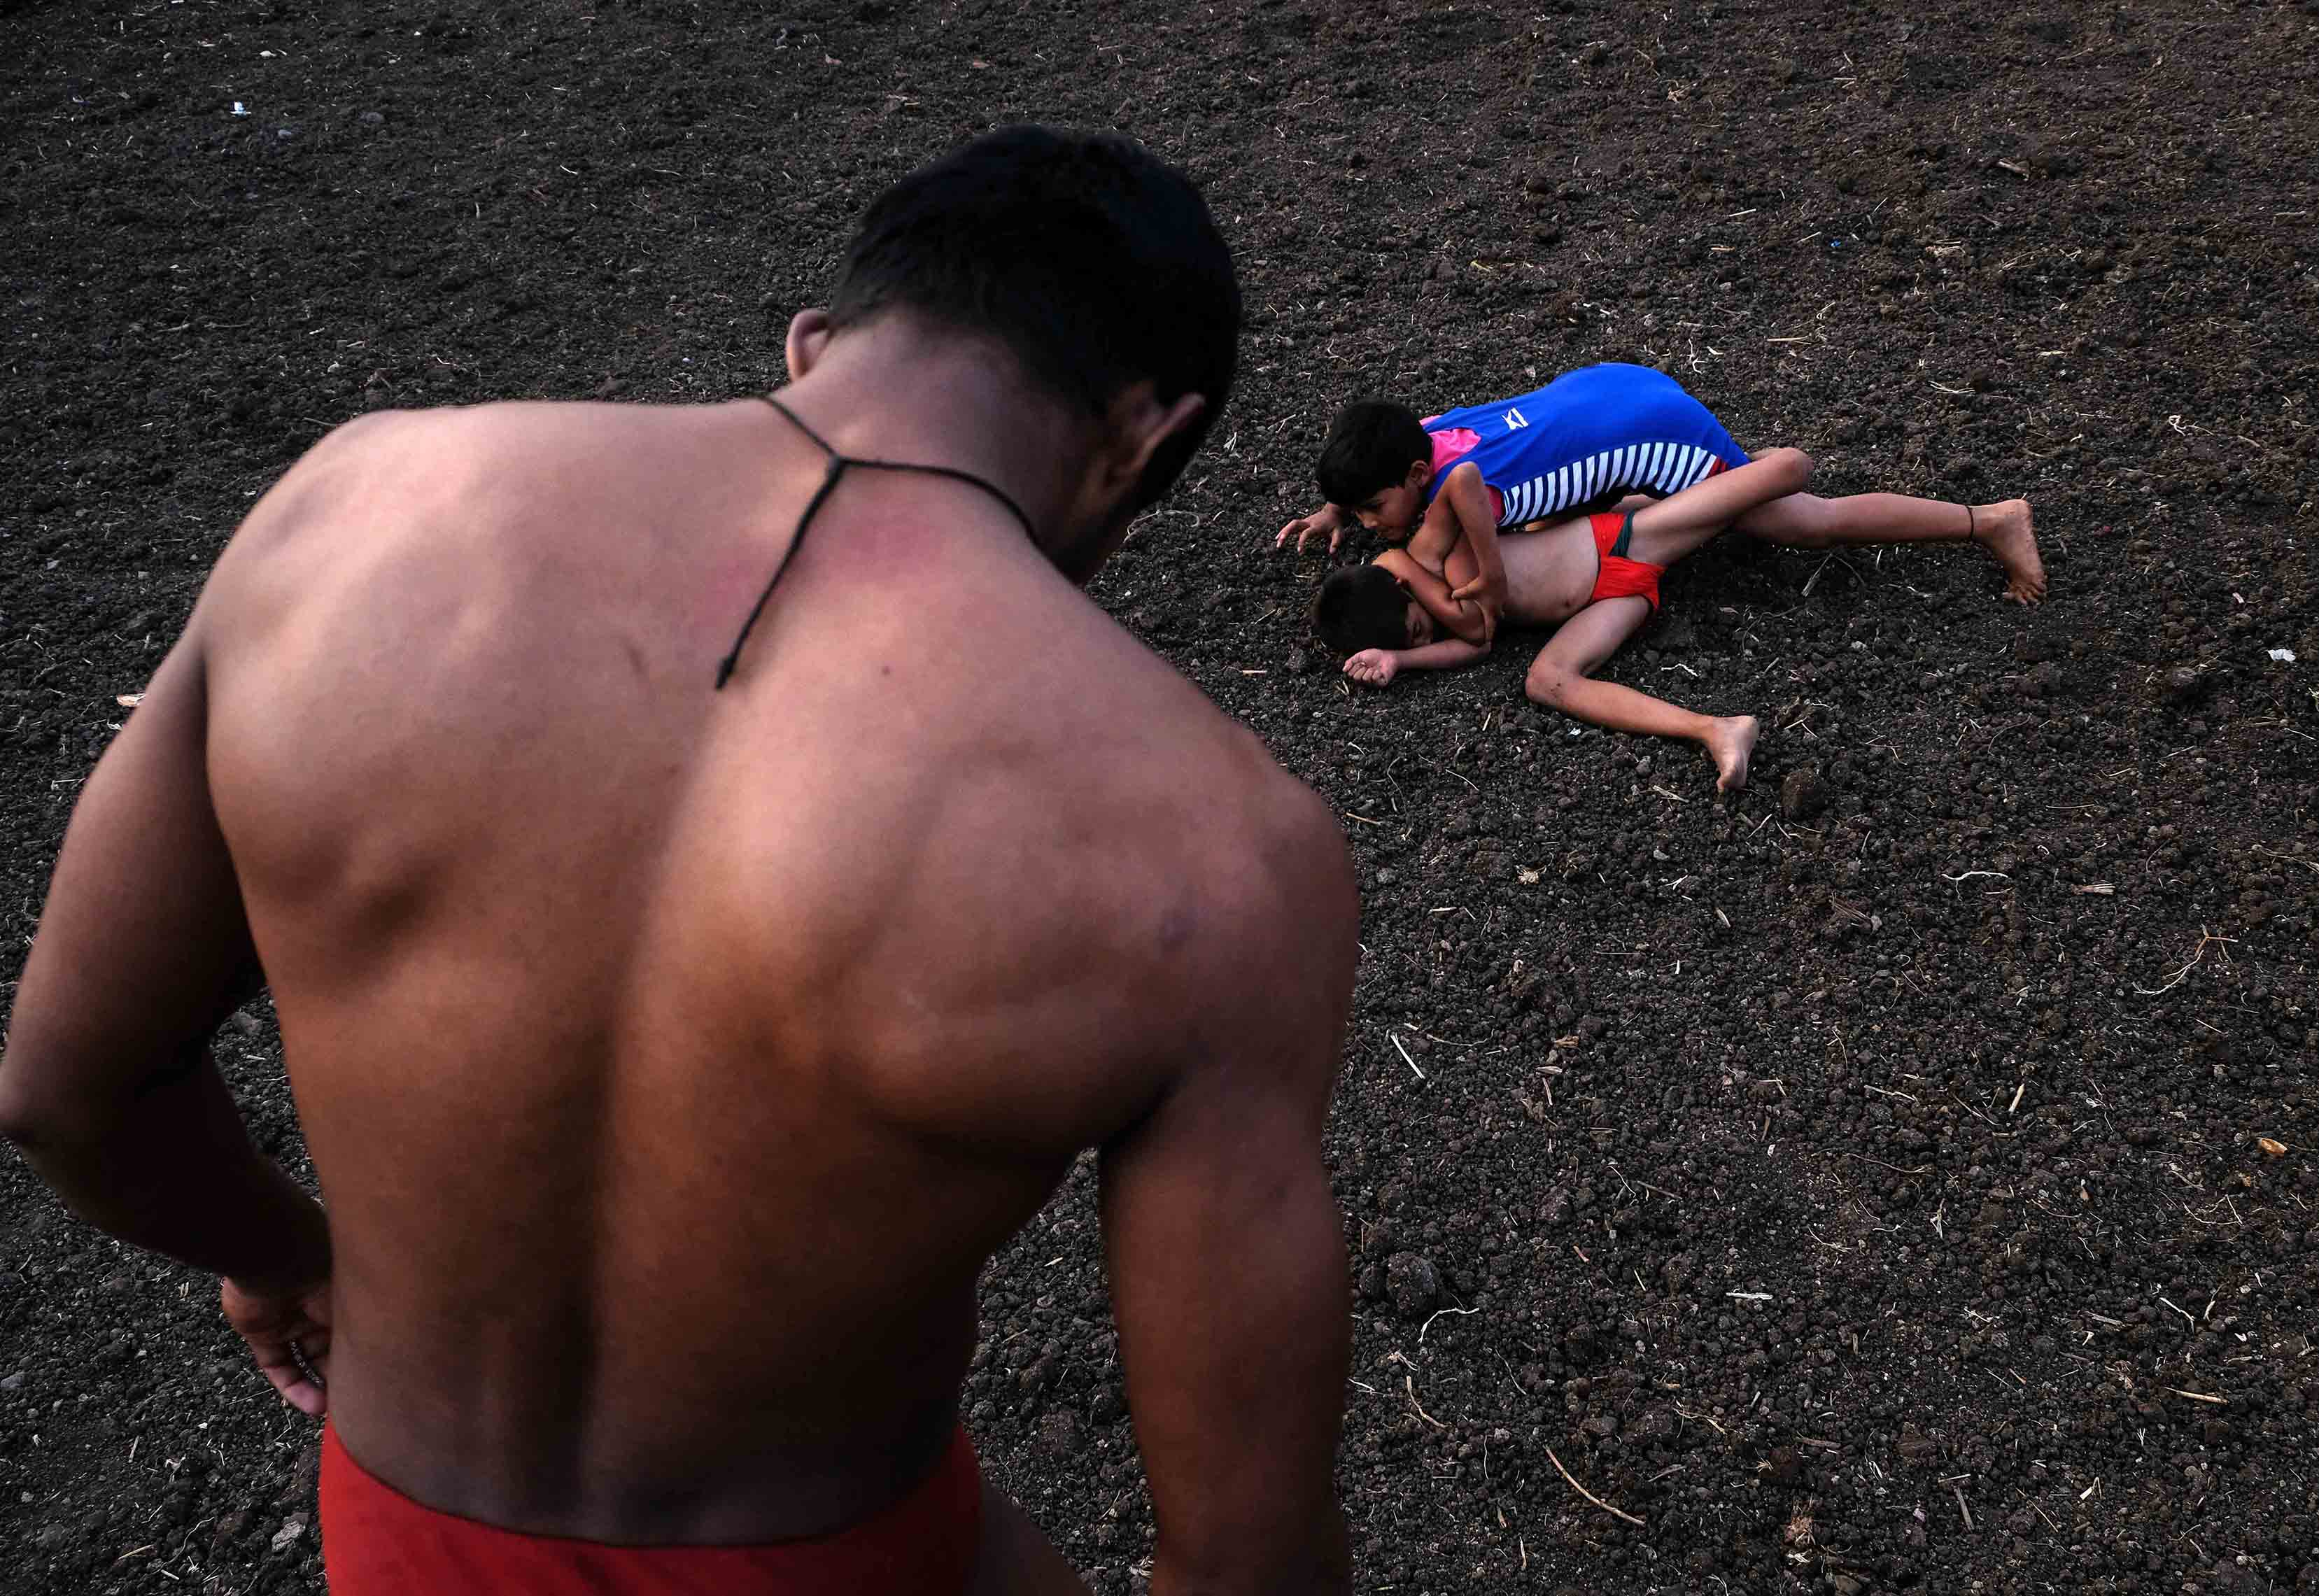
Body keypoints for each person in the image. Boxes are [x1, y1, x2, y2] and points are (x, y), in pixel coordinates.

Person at [0, 127, 1357, 1596]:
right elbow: (1243, 1554)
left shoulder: (342, 518)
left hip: (402, 1534)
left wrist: (282, 1249)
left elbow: (69, 1093)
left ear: (815, 339)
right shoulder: (1221, 852)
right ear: (1145, 439)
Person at [1276, 362, 2045, 606]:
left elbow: (1500, 563)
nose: (1377, 522)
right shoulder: (1431, 439)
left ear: (1418, 478)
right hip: (1614, 387)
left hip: (1656, 438)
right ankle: (1661, 497)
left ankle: (1989, 520)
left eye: (1375, 506)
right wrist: (1335, 506)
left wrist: (1486, 575)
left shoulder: (1471, 489)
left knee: (1803, 522)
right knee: (1605, 504)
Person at [1314, 446, 1818, 791]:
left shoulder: (1434, 554)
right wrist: (1400, 659)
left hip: (1619, 542)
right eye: (1418, 637)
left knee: (1762, 487)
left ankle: (1767, 461)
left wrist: (1376, 545)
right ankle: (1715, 729)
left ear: (1400, 586)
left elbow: (1461, 483)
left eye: (1418, 625)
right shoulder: (1441, 613)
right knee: (1544, 680)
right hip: (1612, 599)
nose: (1429, 628)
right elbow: (1477, 646)